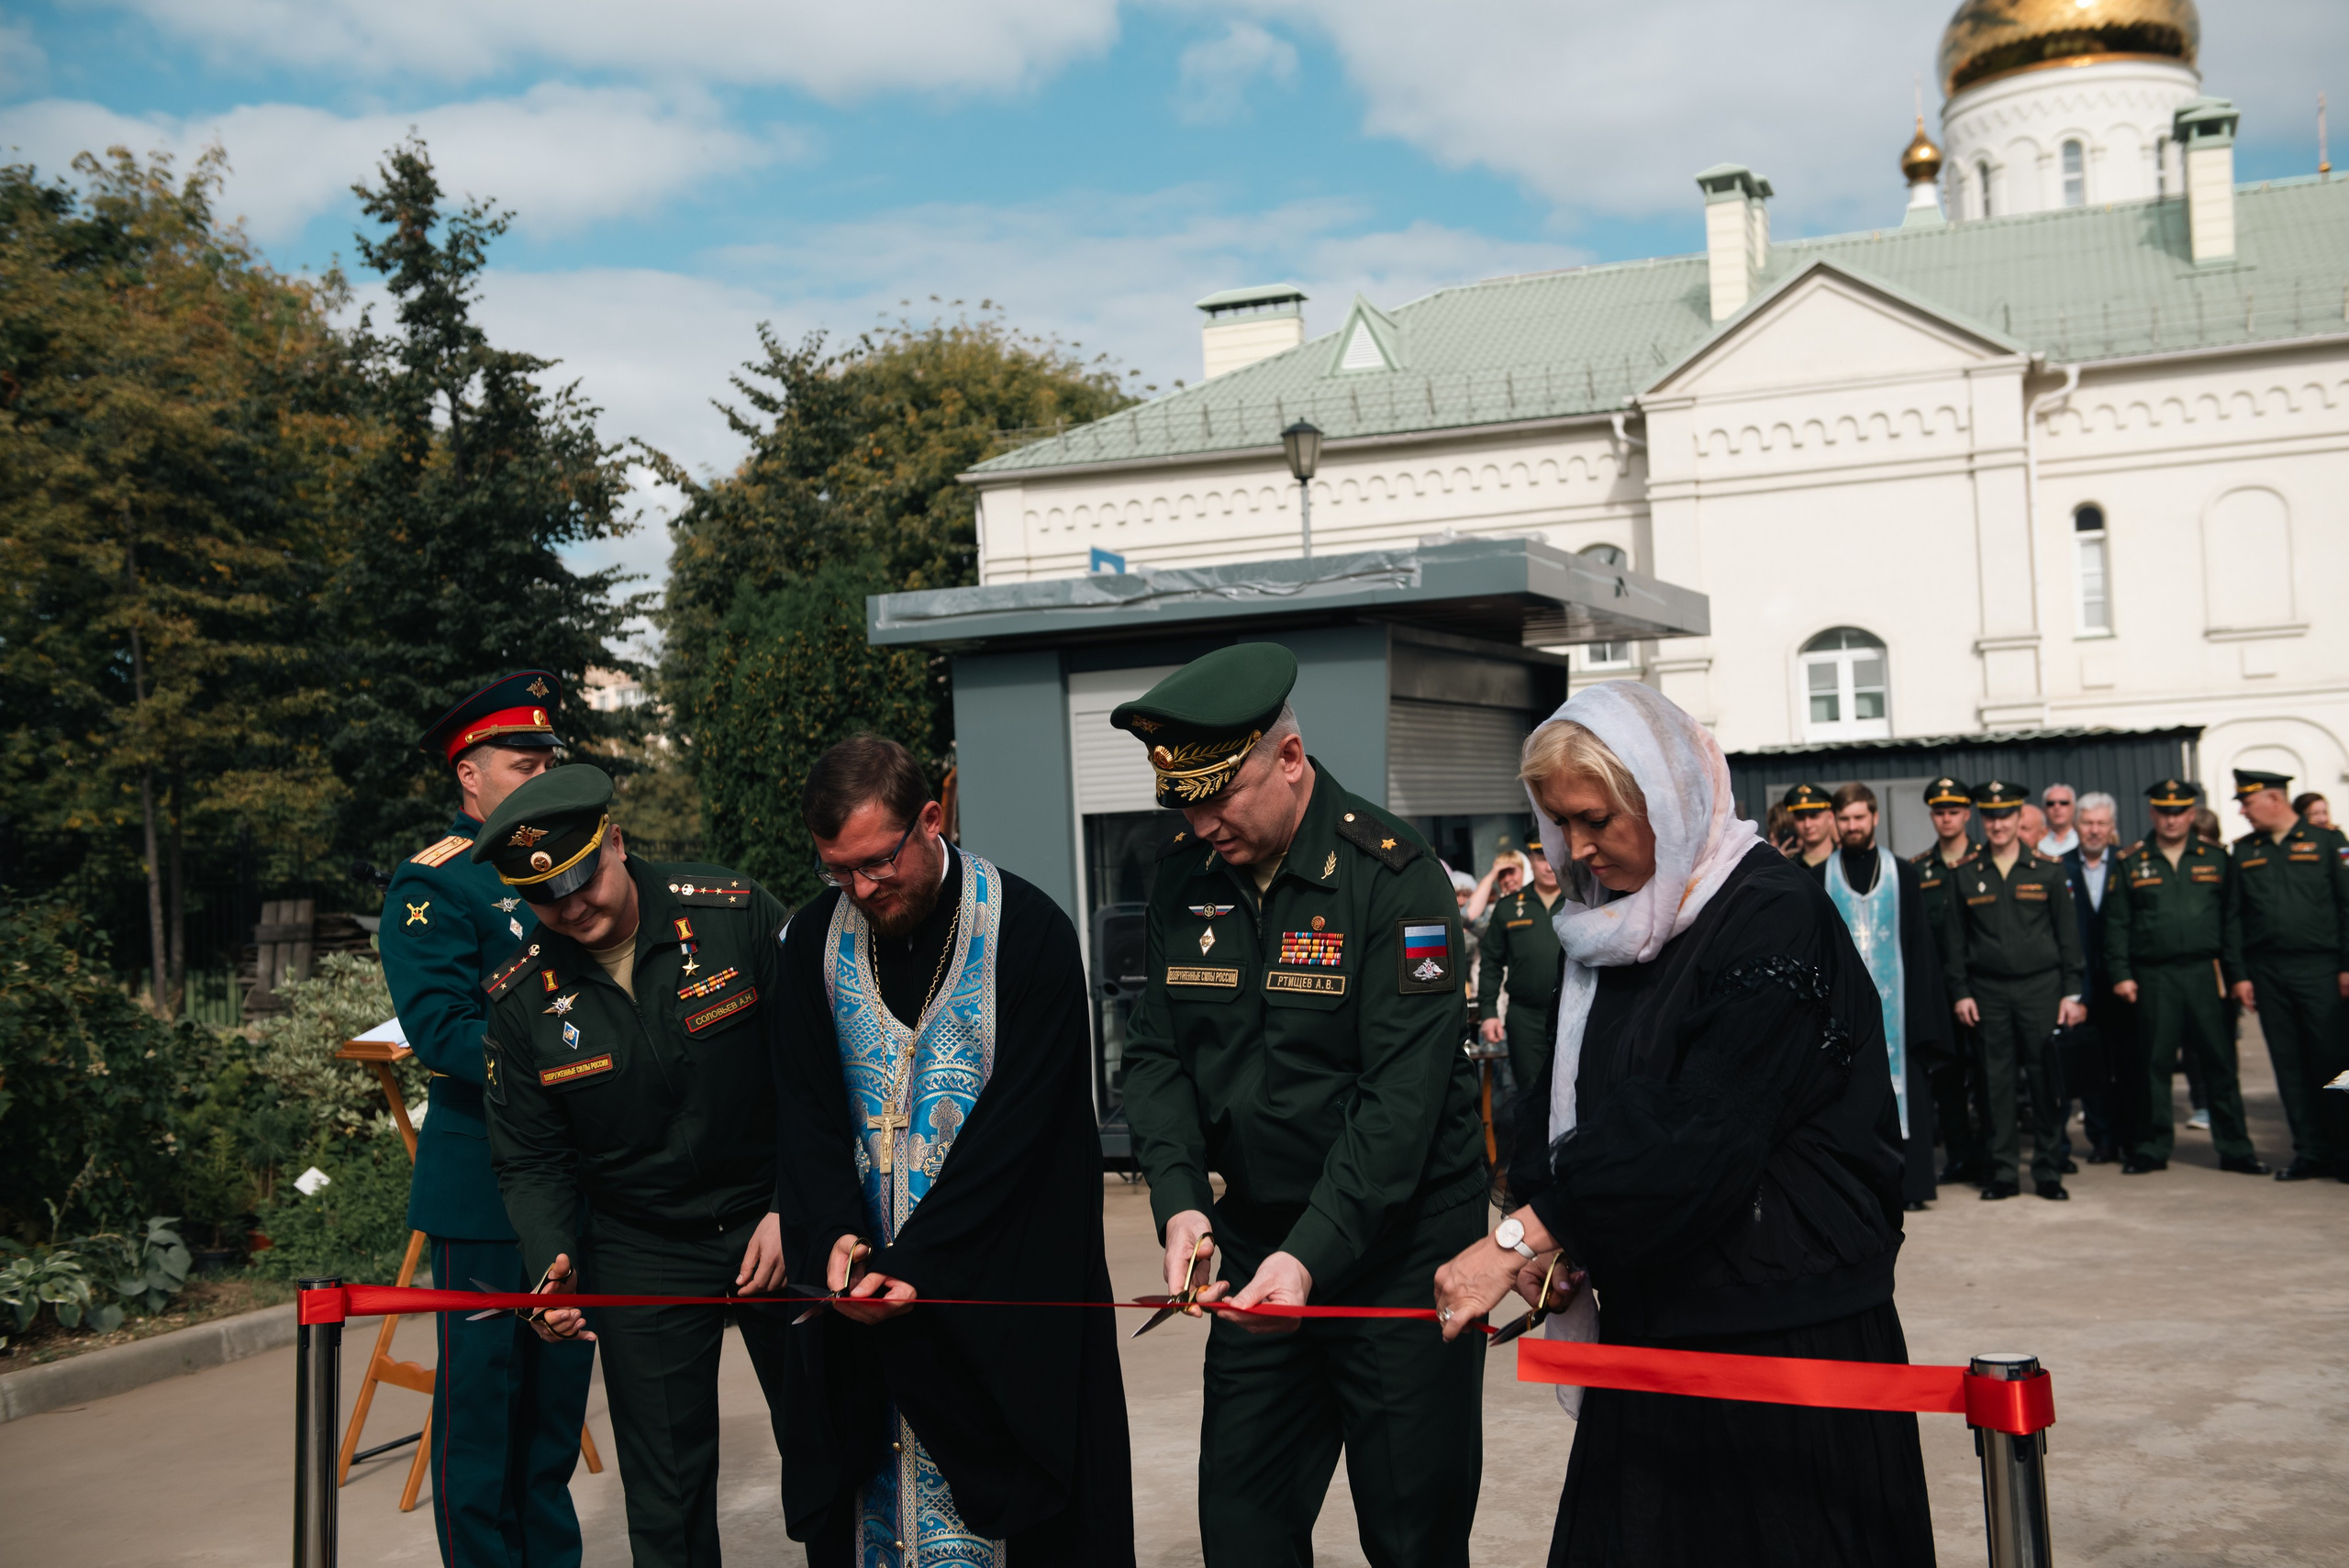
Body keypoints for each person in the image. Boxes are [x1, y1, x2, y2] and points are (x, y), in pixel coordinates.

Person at [1431, 680, 1931, 1568]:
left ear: (1666, 798)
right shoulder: (1608, 926)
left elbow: (1700, 1126)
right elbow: (1573, 1096)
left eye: (1595, 819)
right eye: (1557, 824)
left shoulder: (1772, 915)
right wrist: (1556, 1227)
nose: (1576, 850)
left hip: (1781, 1334)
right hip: (1659, 1317)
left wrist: (1520, 1234)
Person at [1114, 642, 1489, 1568]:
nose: (1202, 823)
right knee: (1241, 1522)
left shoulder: (1397, 879)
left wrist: (1309, 1254)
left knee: (1410, 1530)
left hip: (1399, 1255)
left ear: (1289, 758)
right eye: (1184, 802)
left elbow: (1398, 1107)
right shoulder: (1179, 874)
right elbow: (1156, 1054)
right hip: (1252, 1244)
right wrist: (1179, 1199)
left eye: (1218, 795)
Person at [770, 738, 1135, 1564]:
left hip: (993, 1312)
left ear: (929, 819)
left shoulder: (1029, 932)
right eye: (839, 871)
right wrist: (832, 1234)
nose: (862, 888)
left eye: (879, 861)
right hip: (858, 1314)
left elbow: (1027, 1139)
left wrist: (923, 1264)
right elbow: (803, 1115)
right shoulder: (811, 948)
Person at [473, 765, 795, 1568]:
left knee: (835, 1447)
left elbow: (818, 1074)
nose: (573, 905)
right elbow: (530, 1158)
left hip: (775, 1211)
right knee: (667, 1499)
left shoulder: (734, 915)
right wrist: (552, 1263)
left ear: (616, 840)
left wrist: (797, 1205)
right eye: (547, 897)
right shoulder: (520, 999)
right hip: (642, 1242)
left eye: (584, 877)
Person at [379, 672, 596, 1568]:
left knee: (550, 1425)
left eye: (550, 757)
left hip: (576, 1178)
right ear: (469, 776)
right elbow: (441, 1032)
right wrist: (574, 1062)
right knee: (481, 1421)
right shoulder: (438, 883)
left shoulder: (566, 864)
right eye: (523, 759)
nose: (543, 771)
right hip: (485, 1191)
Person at [2103, 780, 2265, 1177]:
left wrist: (2237, 975)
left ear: (2192, 815)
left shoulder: (2215, 858)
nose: (2172, 819)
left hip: (2205, 974)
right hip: (2153, 975)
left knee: (2220, 1063)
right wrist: (2121, 974)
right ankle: (2152, 1147)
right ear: (2153, 814)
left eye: (2179, 811)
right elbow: (2116, 925)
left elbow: (2231, 924)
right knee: (2153, 1065)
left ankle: (2235, 1148)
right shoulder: (2130, 861)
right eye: (2164, 811)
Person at [1806, 782, 1947, 1209]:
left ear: (1874, 818)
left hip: (1898, 1010)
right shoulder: (1818, 878)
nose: (1852, 826)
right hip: (1843, 1011)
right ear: (1836, 821)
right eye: (1844, 819)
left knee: (1904, 1091)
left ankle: (1910, 1186)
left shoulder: (1904, 873)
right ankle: (1859, 1188)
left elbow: (1920, 947)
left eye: (1859, 818)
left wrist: (1926, 1019)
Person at [1945, 781, 2085, 1201]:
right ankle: (2004, 1171)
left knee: (2046, 1083)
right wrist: (1961, 992)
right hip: (1987, 993)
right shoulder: (1966, 872)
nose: (1997, 823)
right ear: (1982, 819)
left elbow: (2068, 937)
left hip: (2041, 990)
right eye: (1989, 815)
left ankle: (2047, 1169)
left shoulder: (2047, 869)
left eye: (2005, 815)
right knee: (1995, 1084)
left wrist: (2072, 992)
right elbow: (1955, 942)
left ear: (2019, 817)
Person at [2224, 769, 2349, 1182]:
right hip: (2268, 973)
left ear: (2274, 800)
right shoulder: (2244, 851)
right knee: (2289, 1066)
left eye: (2248, 802)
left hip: (2322, 969)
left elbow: (2348, 906)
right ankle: (2310, 1152)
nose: (2242, 811)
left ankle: (2345, 1150)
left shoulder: (2330, 842)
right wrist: (2240, 975)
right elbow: (2235, 919)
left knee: (2334, 1064)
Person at [1912, 776, 1989, 1186]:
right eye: (1940, 811)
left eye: (1954, 811)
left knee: (1989, 1075)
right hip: (1938, 987)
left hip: (1982, 985)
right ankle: (1960, 1154)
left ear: (1967, 813)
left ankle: (1992, 1154)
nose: (1947, 818)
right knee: (1947, 1077)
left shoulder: (1985, 860)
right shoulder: (1919, 867)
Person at [2062, 793, 2128, 1164]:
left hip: (2123, 984)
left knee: (2128, 1064)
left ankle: (2130, 1135)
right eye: (2088, 823)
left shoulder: (2127, 863)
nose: (2095, 830)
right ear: (2076, 825)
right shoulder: (2060, 867)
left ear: (2112, 826)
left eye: (2102, 823)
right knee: (2091, 1068)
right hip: (2083, 985)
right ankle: (2102, 1138)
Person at [1477, 841, 1565, 1101]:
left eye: (1554, 857)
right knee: (1531, 1095)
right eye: (1541, 858)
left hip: (1573, 1009)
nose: (1549, 866)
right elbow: (1491, 962)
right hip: (1526, 1018)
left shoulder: (1581, 901)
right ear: (1530, 860)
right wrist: (1489, 1012)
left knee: (1577, 1092)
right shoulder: (1508, 907)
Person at [1781, 783, 1834, 872]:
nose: (1807, 825)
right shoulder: (1789, 866)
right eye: (1800, 818)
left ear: (1830, 817)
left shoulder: (1844, 861)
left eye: (1814, 816)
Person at [2036, 784, 2080, 860]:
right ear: (2044, 809)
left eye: (2063, 803)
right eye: (2050, 804)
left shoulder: (2083, 839)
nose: (2057, 807)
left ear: (2074, 807)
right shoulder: (2036, 841)